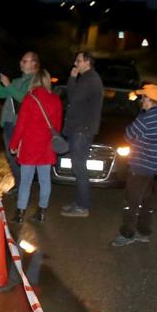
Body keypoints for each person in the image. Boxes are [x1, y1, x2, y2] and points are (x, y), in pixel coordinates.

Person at [111, 84, 157, 247]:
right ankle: (143, 231)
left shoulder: (145, 118)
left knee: (132, 202)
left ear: (150, 100)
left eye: (143, 98)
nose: (141, 100)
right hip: (151, 167)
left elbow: (128, 134)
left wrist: (136, 139)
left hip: (140, 166)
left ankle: (127, 234)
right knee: (146, 202)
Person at [8, 68, 63, 224]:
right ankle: (42, 212)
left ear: (34, 81)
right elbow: (57, 127)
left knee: (26, 181)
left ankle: (20, 214)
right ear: (47, 81)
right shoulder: (56, 100)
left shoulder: (29, 99)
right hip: (46, 147)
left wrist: (13, 144)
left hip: (30, 147)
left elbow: (20, 126)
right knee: (45, 181)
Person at [60, 51, 104, 217]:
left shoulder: (90, 79)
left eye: (78, 60)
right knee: (78, 168)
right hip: (80, 130)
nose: (75, 63)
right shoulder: (88, 78)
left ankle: (83, 206)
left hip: (81, 131)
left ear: (87, 62)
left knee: (79, 168)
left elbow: (73, 97)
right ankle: (79, 202)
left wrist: (72, 78)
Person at [0, 51, 40, 193]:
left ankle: (23, 186)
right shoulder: (18, 81)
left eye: (25, 61)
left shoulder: (35, 81)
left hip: (20, 124)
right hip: (8, 122)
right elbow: (2, 94)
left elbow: (25, 100)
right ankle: (19, 183)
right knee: (10, 156)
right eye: (21, 60)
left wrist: (8, 85)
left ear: (34, 64)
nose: (21, 63)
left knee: (18, 156)